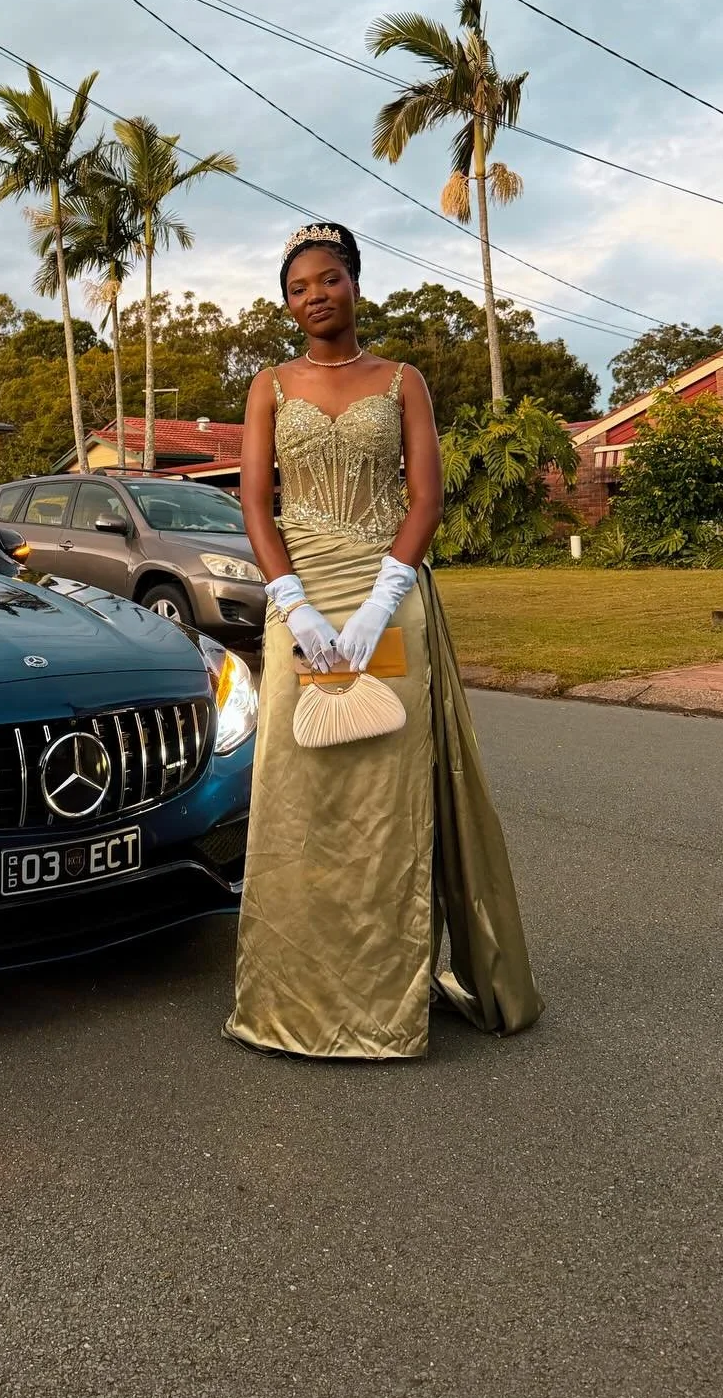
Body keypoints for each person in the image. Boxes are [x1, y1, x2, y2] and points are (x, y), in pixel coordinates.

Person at [224, 221, 542, 1060]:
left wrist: (379, 603)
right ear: (286, 304)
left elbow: (425, 499)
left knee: (383, 795)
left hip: (386, 601)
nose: (315, 296)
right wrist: (293, 602)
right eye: (298, 288)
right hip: (301, 601)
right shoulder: (269, 386)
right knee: (301, 789)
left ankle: (381, 1001)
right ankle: (293, 999)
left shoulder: (402, 381)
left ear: (356, 284)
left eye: (328, 279)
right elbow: (256, 503)